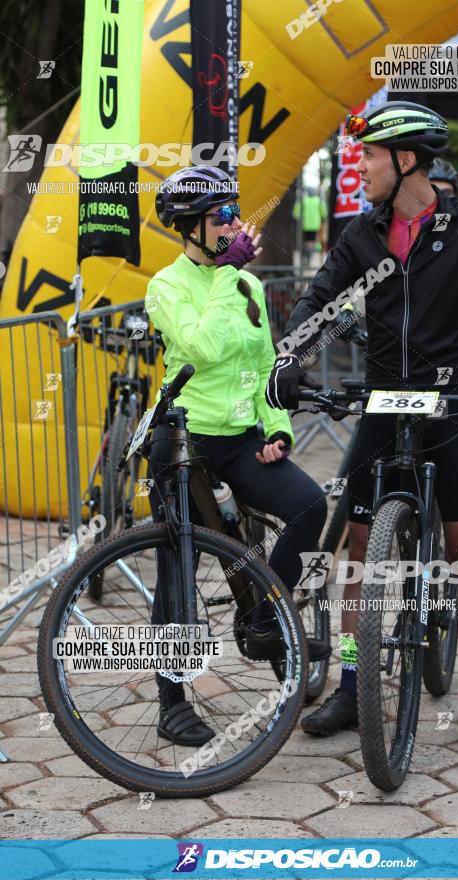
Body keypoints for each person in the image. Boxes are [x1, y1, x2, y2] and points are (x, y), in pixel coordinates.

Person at [265, 101, 458, 751]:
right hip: (383, 400)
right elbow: (318, 300)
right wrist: (290, 354)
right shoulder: (362, 235)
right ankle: (347, 683)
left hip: (447, 406)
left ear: (405, 160)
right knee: (357, 552)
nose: (359, 167)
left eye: (368, 156)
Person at [145, 165, 328, 746]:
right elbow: (201, 346)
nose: (234, 225)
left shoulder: (248, 287)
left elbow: (263, 363)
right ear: (189, 227)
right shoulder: (166, 287)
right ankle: (171, 703)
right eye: (221, 216)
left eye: (234, 213)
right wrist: (225, 276)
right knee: (177, 567)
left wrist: (278, 428)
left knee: (308, 504)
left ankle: (268, 619)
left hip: (243, 438)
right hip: (184, 441)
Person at [293, 186, 327, 264]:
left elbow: (296, 213)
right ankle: (308, 259)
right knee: (311, 243)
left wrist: (297, 218)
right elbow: (324, 212)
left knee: (304, 242)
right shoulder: (318, 201)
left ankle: (304, 258)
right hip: (315, 226)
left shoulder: (303, 201)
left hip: (304, 225)